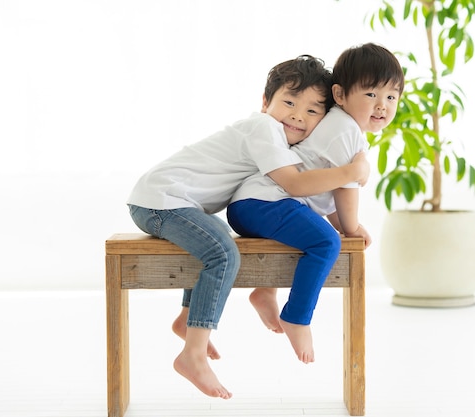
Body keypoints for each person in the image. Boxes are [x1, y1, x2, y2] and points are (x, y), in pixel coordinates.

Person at [126, 55, 371, 399]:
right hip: (161, 200)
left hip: (169, 202)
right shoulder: (264, 128)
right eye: (289, 102)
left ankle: (187, 319)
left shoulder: (280, 141)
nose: (298, 115)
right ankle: (192, 355)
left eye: (313, 111)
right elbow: (295, 186)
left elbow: (307, 194)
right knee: (223, 254)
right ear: (264, 102)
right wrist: (351, 172)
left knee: (216, 239)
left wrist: (342, 221)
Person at [226, 43, 404, 364]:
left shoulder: (340, 125)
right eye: (370, 95)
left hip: (256, 204)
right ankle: (297, 316)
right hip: (263, 202)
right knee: (326, 242)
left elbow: (326, 191)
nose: (381, 106)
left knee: (312, 231)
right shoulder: (345, 131)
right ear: (339, 94)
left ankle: (264, 291)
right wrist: (348, 228)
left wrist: (347, 223)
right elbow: (346, 188)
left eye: (391, 97)